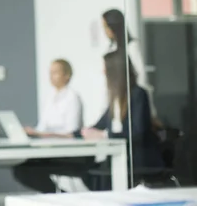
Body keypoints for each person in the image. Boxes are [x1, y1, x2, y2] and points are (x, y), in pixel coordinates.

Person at [13, 51, 163, 193]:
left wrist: (104, 136)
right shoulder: (116, 100)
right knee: (31, 169)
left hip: (137, 159)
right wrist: (71, 135)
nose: (103, 73)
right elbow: (97, 127)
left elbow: (137, 132)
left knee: (92, 173)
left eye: (105, 69)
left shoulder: (137, 94)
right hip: (117, 157)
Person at [102, 8, 160, 127]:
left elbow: (141, 77)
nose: (104, 31)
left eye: (106, 26)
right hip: (116, 99)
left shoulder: (131, 46)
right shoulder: (111, 49)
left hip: (132, 101)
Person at [24, 59, 83, 138]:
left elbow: (71, 131)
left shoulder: (72, 97)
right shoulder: (50, 96)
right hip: (48, 142)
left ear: (67, 75)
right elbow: (42, 126)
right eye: (50, 73)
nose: (51, 76)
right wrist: (33, 132)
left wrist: (43, 134)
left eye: (55, 73)